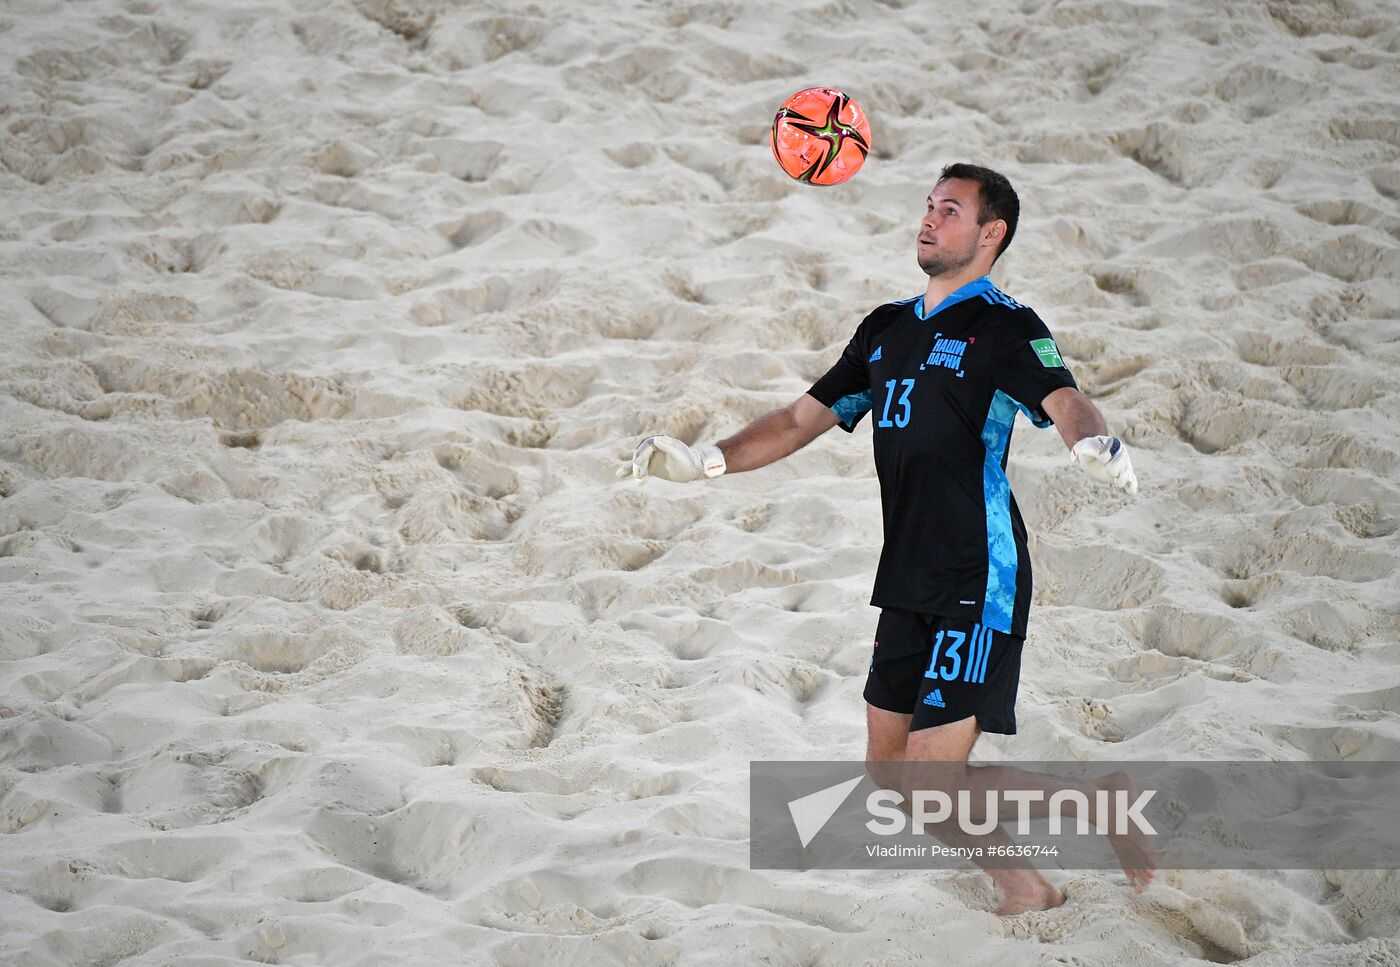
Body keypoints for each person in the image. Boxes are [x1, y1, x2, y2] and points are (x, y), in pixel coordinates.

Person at [616, 163, 1150, 913]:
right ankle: (1060, 846)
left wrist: (1095, 444)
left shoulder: (1005, 326)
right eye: (928, 206)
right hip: (906, 575)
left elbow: (1065, 398)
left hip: (979, 573)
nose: (929, 220)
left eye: (951, 211)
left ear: (991, 233)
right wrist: (707, 461)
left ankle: (1062, 850)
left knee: (932, 777)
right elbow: (802, 418)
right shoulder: (886, 329)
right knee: (891, 773)